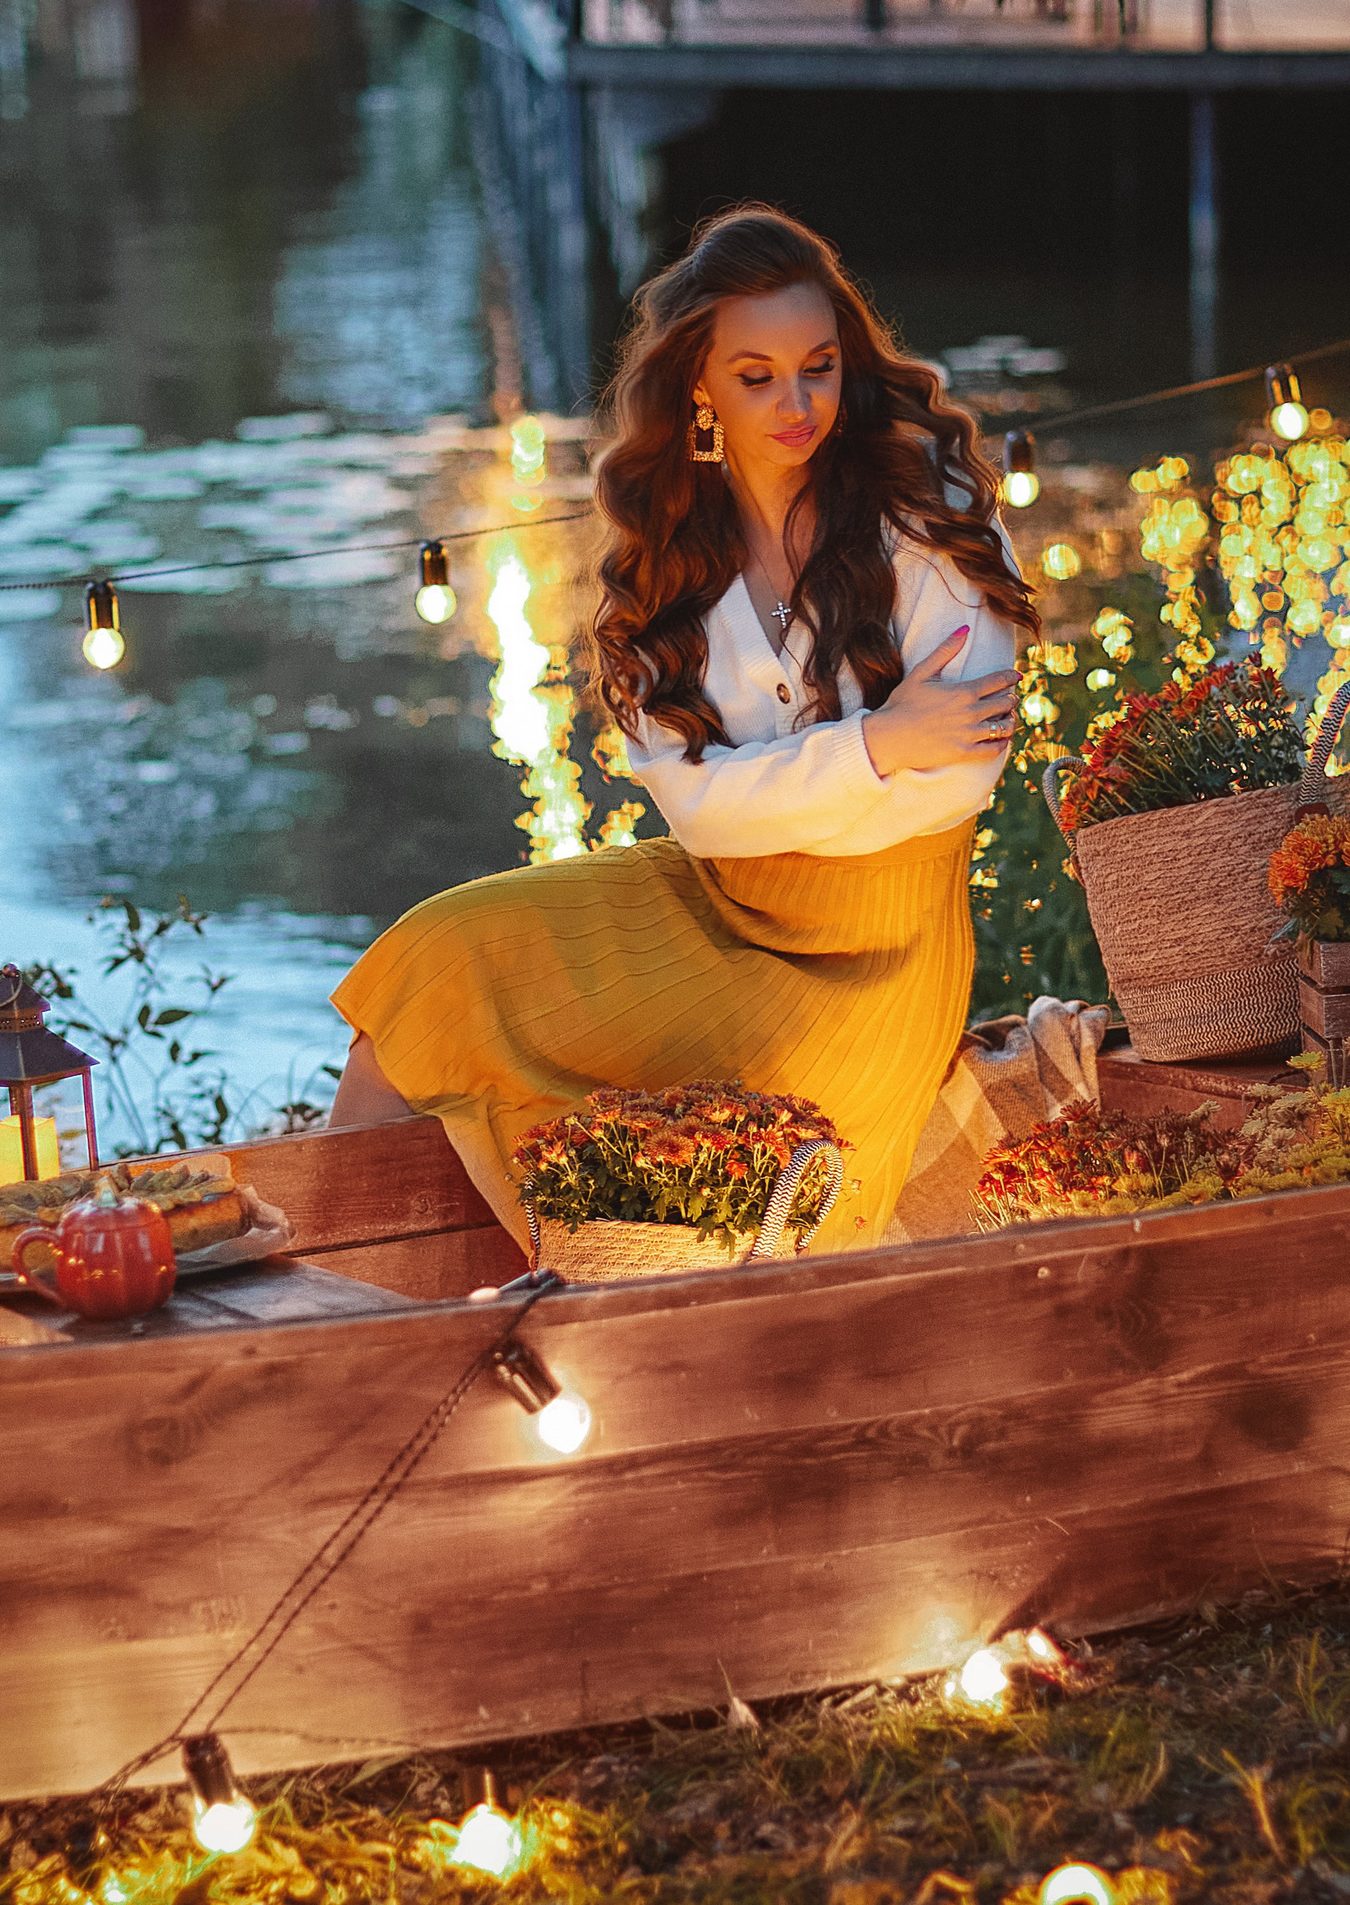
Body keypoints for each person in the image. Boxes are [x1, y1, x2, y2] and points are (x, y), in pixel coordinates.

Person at [327, 206, 1036, 1251]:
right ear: (698, 383)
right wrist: (878, 743)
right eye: (756, 376)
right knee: (428, 961)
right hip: (714, 898)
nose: (797, 404)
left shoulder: (926, 514)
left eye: (819, 366)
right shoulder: (668, 557)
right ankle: (329, 1281)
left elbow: (961, 770)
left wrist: (777, 784)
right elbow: (700, 812)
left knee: (719, 1103)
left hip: (877, 956)